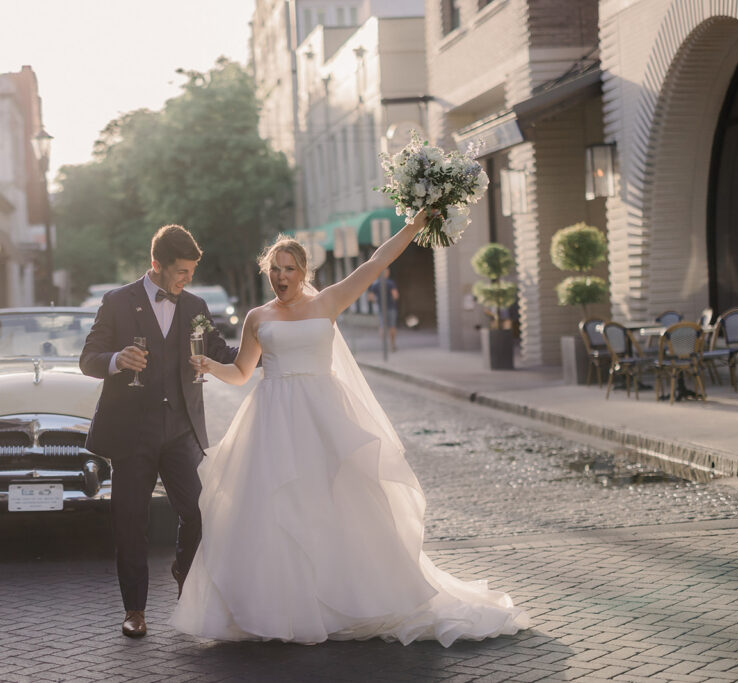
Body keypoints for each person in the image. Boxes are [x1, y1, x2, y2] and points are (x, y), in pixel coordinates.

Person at [171, 210, 530, 646]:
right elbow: (243, 373)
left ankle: (350, 600)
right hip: (273, 423)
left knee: (341, 504)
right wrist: (211, 366)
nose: (281, 277)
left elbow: (377, 261)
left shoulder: (328, 302)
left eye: (290, 269)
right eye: (275, 270)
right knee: (276, 511)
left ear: (304, 272)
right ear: (267, 273)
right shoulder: (257, 317)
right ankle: (285, 609)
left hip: (324, 417)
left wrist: (415, 225)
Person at [80, 224, 238, 639]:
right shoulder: (117, 302)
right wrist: (117, 359)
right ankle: (135, 609)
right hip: (132, 434)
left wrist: (271, 340)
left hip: (181, 431)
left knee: (199, 511)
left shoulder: (195, 305)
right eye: (181, 272)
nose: (186, 280)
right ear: (156, 265)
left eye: (190, 272)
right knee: (131, 522)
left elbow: (224, 354)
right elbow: (89, 358)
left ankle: (184, 574)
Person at [367, 268, 400, 351]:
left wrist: (377, 301)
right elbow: (395, 295)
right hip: (391, 307)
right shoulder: (390, 283)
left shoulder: (375, 284)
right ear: (386, 274)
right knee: (392, 326)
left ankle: (384, 345)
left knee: (382, 327)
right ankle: (392, 345)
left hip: (381, 309)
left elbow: (370, 297)